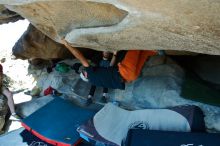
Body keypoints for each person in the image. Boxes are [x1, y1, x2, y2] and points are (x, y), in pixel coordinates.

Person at [61, 38, 157, 91]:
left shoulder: (97, 80)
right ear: (85, 74)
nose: (85, 69)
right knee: (135, 46)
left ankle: (154, 50)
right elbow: (80, 56)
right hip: (125, 71)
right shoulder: (90, 74)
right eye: (84, 70)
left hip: (131, 77)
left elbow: (110, 67)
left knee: (144, 52)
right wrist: (67, 45)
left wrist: (115, 54)